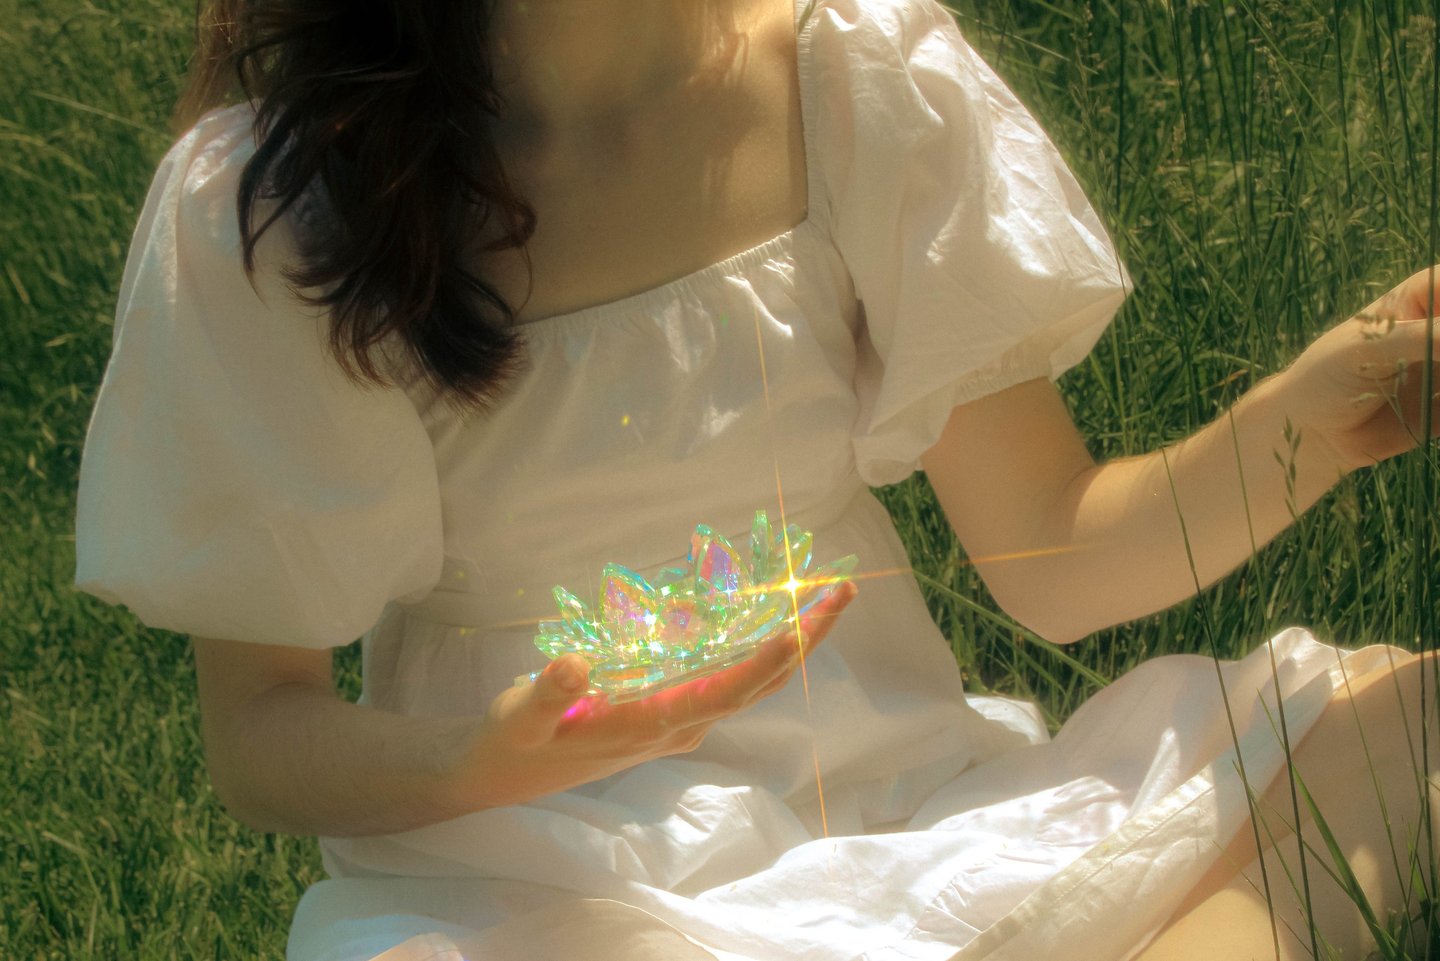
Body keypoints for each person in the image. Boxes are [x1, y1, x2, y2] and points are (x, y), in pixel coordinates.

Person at [75, 0, 1440, 957]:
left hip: (904, 808)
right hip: (544, 884)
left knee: (1413, 720)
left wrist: (1301, 424)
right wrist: (482, 754)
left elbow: (1053, 552)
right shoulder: (278, 204)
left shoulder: (856, 79)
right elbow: (261, 731)